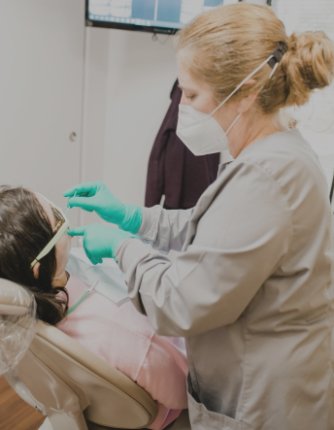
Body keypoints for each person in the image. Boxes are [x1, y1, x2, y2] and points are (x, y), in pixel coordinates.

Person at [64, 4, 334, 429]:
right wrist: (134, 217)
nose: (182, 108)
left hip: (263, 401)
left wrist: (123, 247)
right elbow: (213, 230)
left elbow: (179, 303)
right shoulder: (272, 153)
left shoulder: (266, 175)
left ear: (244, 92)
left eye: (191, 95)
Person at [0, 185, 188, 430]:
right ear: (38, 267)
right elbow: (183, 392)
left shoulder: (15, 311)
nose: (62, 220)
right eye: (56, 220)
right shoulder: (134, 334)